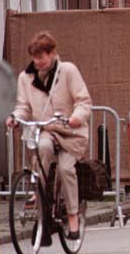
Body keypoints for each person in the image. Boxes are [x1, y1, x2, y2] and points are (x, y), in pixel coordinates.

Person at [6, 31, 92, 242]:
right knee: (42, 147)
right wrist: (15, 117)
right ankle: (41, 193)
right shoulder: (26, 78)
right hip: (46, 129)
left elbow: (83, 101)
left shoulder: (68, 71)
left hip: (71, 132)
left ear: (52, 54)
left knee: (65, 168)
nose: (38, 62)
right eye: (34, 58)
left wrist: (76, 117)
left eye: (41, 57)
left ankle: (72, 215)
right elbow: (23, 106)